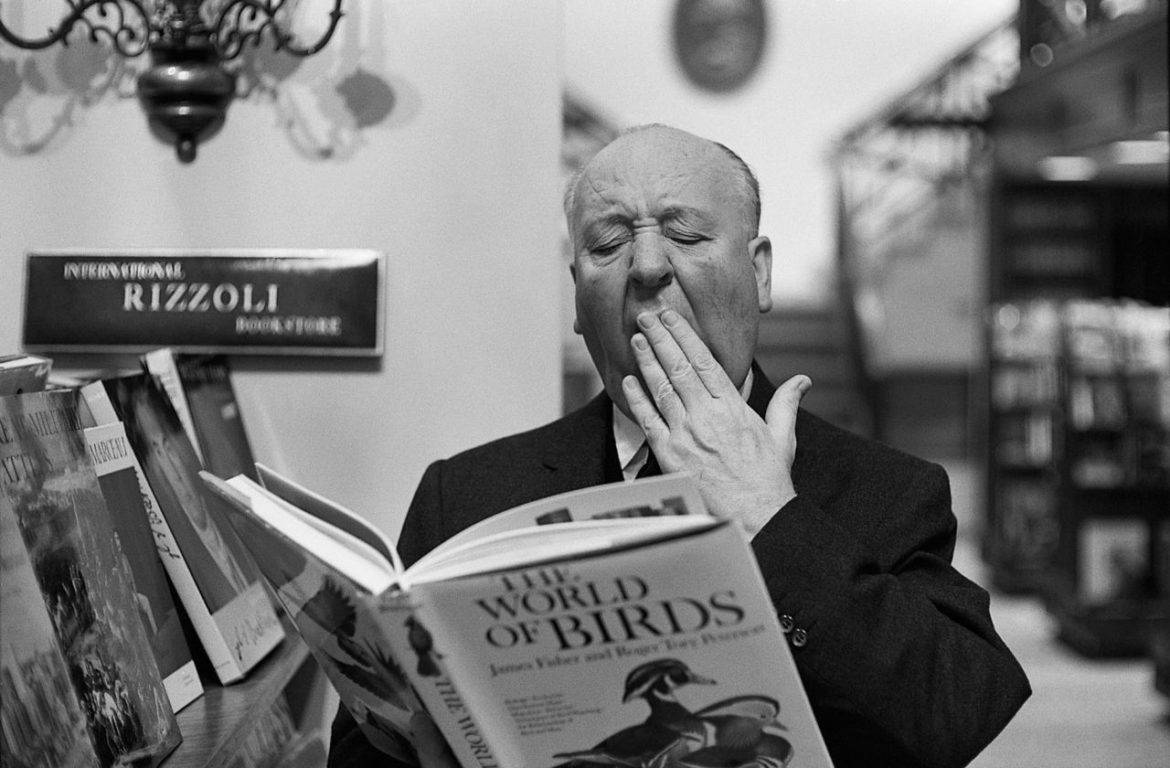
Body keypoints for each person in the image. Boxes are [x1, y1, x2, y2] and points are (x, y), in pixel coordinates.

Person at [328, 124, 1031, 768]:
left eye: (686, 235)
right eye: (607, 244)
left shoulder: (890, 492)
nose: (647, 266)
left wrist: (772, 522)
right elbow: (362, 750)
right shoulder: (466, 497)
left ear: (759, 274)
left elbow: (954, 718)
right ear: (577, 296)